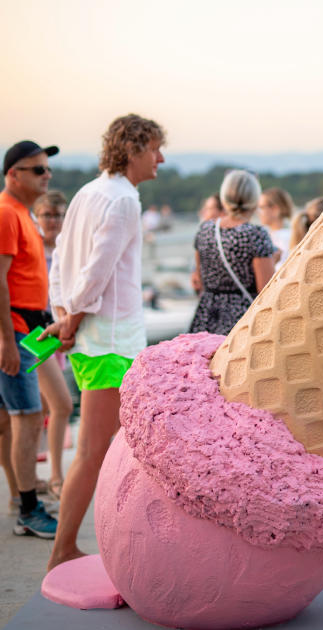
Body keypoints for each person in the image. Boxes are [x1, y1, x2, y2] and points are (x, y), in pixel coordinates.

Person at [44, 115, 163, 568]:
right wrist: (71, 319)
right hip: (110, 342)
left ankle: (102, 543)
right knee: (95, 451)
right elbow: (98, 270)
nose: (161, 158)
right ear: (133, 150)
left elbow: (61, 266)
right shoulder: (124, 200)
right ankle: (63, 550)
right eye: (154, 148)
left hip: (93, 338)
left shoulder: (87, 192)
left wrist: (63, 314)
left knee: (105, 450)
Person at [0, 140, 58, 538]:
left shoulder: (21, 214)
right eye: (37, 169)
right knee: (27, 418)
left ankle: (20, 497)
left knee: (12, 419)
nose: (46, 175)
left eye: (47, 168)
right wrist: (6, 342)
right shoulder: (7, 213)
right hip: (17, 330)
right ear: (13, 175)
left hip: (31, 328)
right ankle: (28, 508)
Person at [187, 170, 276, 336]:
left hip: (207, 314)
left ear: (224, 198)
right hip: (241, 319)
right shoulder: (255, 234)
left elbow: (199, 278)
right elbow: (266, 291)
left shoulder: (206, 229)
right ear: (254, 199)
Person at [33, 192, 73, 501]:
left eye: (59, 215)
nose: (53, 221)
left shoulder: (66, 249)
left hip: (56, 331)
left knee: (47, 407)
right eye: (47, 214)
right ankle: (53, 477)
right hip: (34, 334)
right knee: (56, 406)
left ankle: (42, 476)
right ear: (37, 216)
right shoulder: (31, 247)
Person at [258, 187, 294, 263]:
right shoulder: (270, 234)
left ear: (275, 209)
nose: (258, 212)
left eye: (261, 207)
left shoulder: (285, 237)